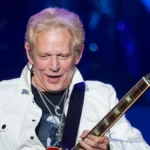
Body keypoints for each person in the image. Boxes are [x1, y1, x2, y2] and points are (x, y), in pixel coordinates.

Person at [0, 7, 149, 150]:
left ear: (79, 54)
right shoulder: (3, 95)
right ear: (29, 53)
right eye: (44, 56)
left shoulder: (101, 95)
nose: (54, 66)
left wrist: (110, 147)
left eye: (63, 56)